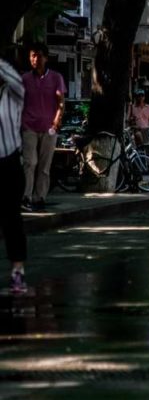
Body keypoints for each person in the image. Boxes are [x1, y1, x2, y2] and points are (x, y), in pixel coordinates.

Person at [20, 42, 65, 211]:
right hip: (29, 126)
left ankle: (40, 197)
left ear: (46, 58)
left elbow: (61, 102)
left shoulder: (55, 78)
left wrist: (57, 120)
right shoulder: (24, 79)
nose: (35, 59)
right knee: (30, 162)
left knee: (44, 166)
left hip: (49, 128)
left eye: (39, 55)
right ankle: (26, 196)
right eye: (32, 55)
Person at [1, 57, 28, 293]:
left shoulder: (14, 94)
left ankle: (17, 270)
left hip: (9, 163)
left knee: (11, 219)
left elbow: (14, 79)